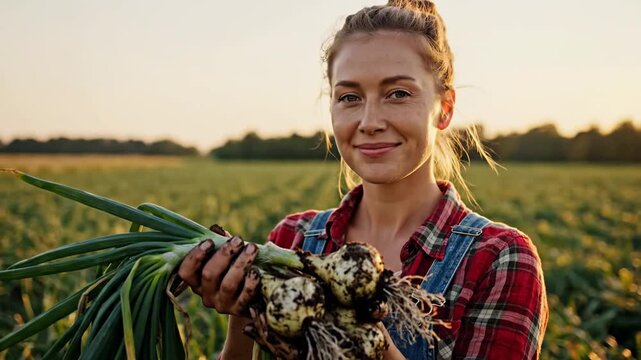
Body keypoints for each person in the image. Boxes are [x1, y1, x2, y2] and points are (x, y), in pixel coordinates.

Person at [178, 0, 548, 358]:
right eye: (350, 97)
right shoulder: (292, 238)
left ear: (445, 109)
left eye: (398, 94)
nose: (369, 121)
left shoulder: (499, 258)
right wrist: (245, 309)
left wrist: (370, 343)